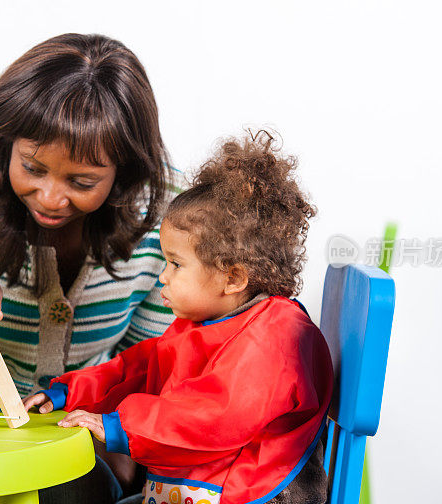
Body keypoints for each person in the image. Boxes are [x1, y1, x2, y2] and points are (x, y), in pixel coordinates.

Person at [0, 33, 184, 503]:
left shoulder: (164, 210)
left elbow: (153, 363)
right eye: (33, 167)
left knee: (71, 490)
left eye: (82, 182)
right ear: (7, 141)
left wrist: (122, 446)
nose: (50, 197)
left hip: (76, 438)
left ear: (122, 172)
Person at [24, 132, 335, 504]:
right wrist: (70, 391)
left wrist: (120, 426)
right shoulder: (202, 324)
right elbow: (137, 368)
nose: (162, 276)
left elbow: (215, 416)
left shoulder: (276, 336)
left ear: (233, 277)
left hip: (251, 495)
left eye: (176, 264)